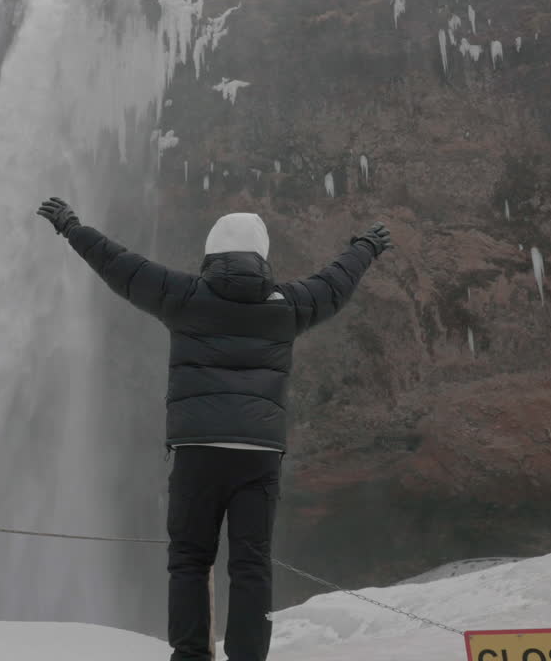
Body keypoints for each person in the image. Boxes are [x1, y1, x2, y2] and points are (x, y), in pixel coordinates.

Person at [36, 197, 391, 661]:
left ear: (211, 253)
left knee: (188, 560)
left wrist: (72, 228)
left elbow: (120, 265)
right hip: (259, 455)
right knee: (251, 565)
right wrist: (364, 247)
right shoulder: (290, 304)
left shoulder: (183, 295)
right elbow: (335, 283)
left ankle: (190, 657)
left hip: (197, 452)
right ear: (262, 255)